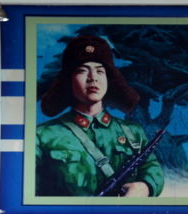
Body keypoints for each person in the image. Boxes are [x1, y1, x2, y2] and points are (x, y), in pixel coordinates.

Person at [35, 35, 164, 197]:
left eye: (100, 71)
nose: (93, 78)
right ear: (69, 80)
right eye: (82, 71)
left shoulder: (132, 131)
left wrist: (145, 187)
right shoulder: (43, 136)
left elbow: (151, 167)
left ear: (108, 79)